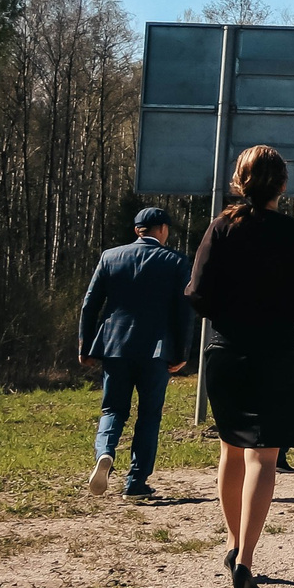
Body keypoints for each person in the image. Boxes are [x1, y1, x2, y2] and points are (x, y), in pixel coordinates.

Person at [184, 145, 294, 588]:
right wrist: (281, 310)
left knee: (230, 451)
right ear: (282, 185)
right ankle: (246, 559)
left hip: (227, 351)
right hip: (276, 353)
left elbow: (196, 292)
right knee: (263, 458)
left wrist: (230, 311)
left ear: (238, 179)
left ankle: (231, 543)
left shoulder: (222, 227)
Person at [77, 206, 194, 499]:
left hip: (114, 346)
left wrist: (85, 345)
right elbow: (184, 312)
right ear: (163, 229)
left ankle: (105, 452)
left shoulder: (110, 257)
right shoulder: (177, 261)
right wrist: (182, 353)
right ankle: (136, 482)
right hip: (156, 350)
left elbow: (90, 305)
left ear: (136, 230)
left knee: (112, 409)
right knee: (149, 415)